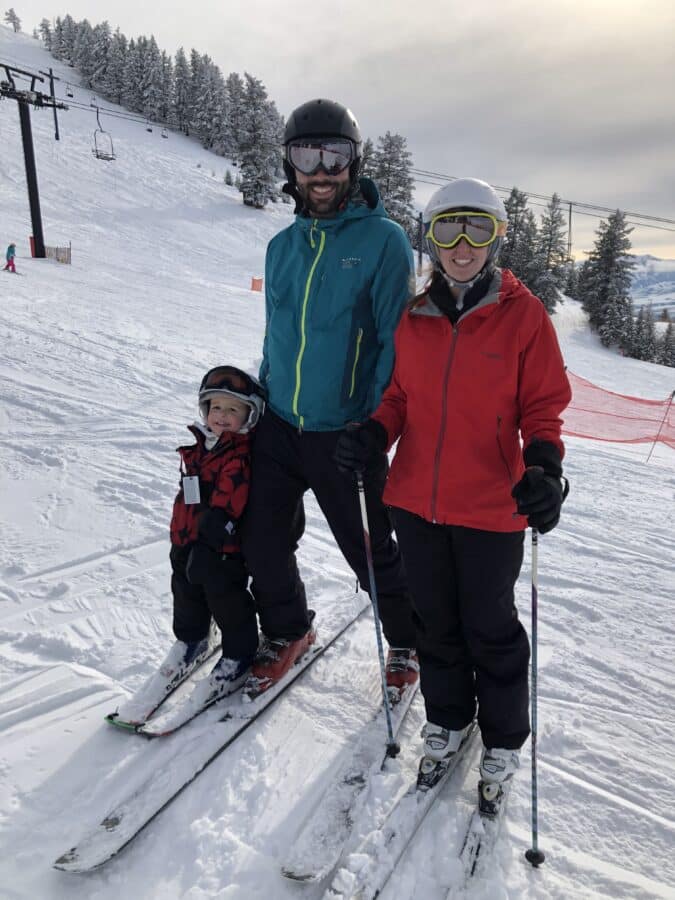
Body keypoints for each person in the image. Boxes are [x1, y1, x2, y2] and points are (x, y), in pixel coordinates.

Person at [334, 178, 572, 790]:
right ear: (430, 238)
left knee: (489, 626)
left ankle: (502, 737)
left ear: (496, 237)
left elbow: (543, 406)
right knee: (434, 620)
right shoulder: (414, 317)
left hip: (493, 506)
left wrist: (544, 468)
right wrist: (373, 434)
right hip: (414, 501)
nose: (461, 245)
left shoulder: (524, 317)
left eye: (477, 229)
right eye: (447, 229)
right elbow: (399, 397)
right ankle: (447, 718)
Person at [241, 98, 418, 698]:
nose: (320, 170)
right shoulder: (281, 247)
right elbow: (276, 333)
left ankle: (407, 637)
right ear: (289, 165)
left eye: (333, 154)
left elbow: (397, 343)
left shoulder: (385, 243)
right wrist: (258, 402)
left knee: (371, 551)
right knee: (262, 539)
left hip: (344, 431)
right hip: (279, 426)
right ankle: (289, 629)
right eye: (305, 154)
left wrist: (373, 428)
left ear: (353, 163)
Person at [166, 365, 265, 704]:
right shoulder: (199, 446)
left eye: (233, 409)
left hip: (220, 549)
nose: (222, 416)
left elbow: (228, 504)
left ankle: (240, 653)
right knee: (185, 590)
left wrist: (210, 544)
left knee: (226, 600)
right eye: (216, 407)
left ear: (248, 416)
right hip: (185, 539)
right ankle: (192, 638)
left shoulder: (237, 455)